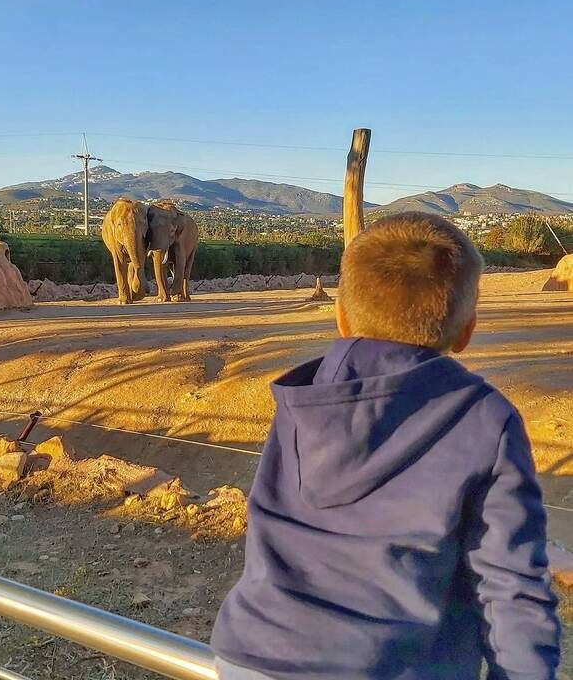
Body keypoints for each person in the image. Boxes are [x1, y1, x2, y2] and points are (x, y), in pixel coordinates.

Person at [210, 212, 560, 680]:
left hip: (252, 655)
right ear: (467, 330)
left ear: (340, 316)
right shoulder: (486, 419)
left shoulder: (303, 396)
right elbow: (511, 586)